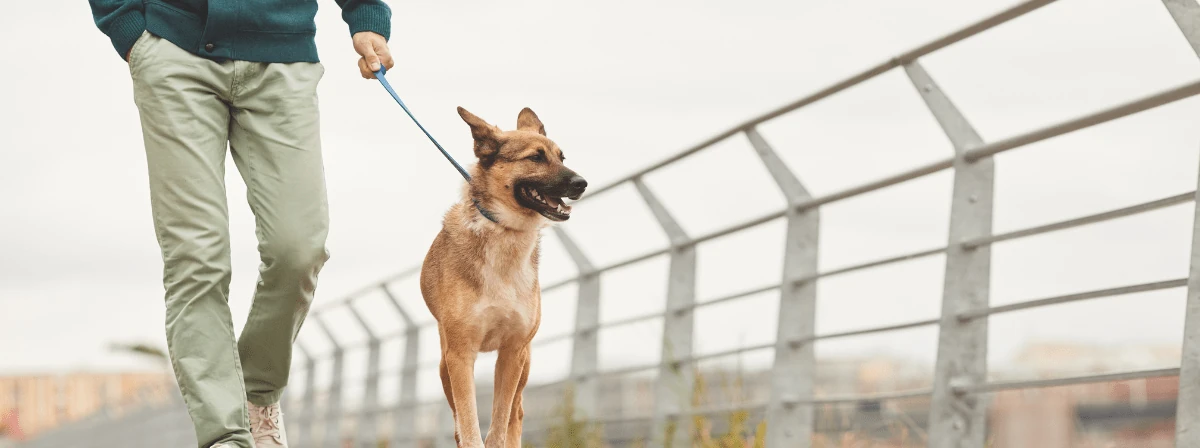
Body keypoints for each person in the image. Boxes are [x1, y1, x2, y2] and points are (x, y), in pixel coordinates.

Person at [87, 1, 395, 447]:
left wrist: (366, 16)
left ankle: (258, 394)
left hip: (284, 57)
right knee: (197, 256)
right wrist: (128, 29)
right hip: (173, 50)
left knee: (299, 247)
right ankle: (225, 434)